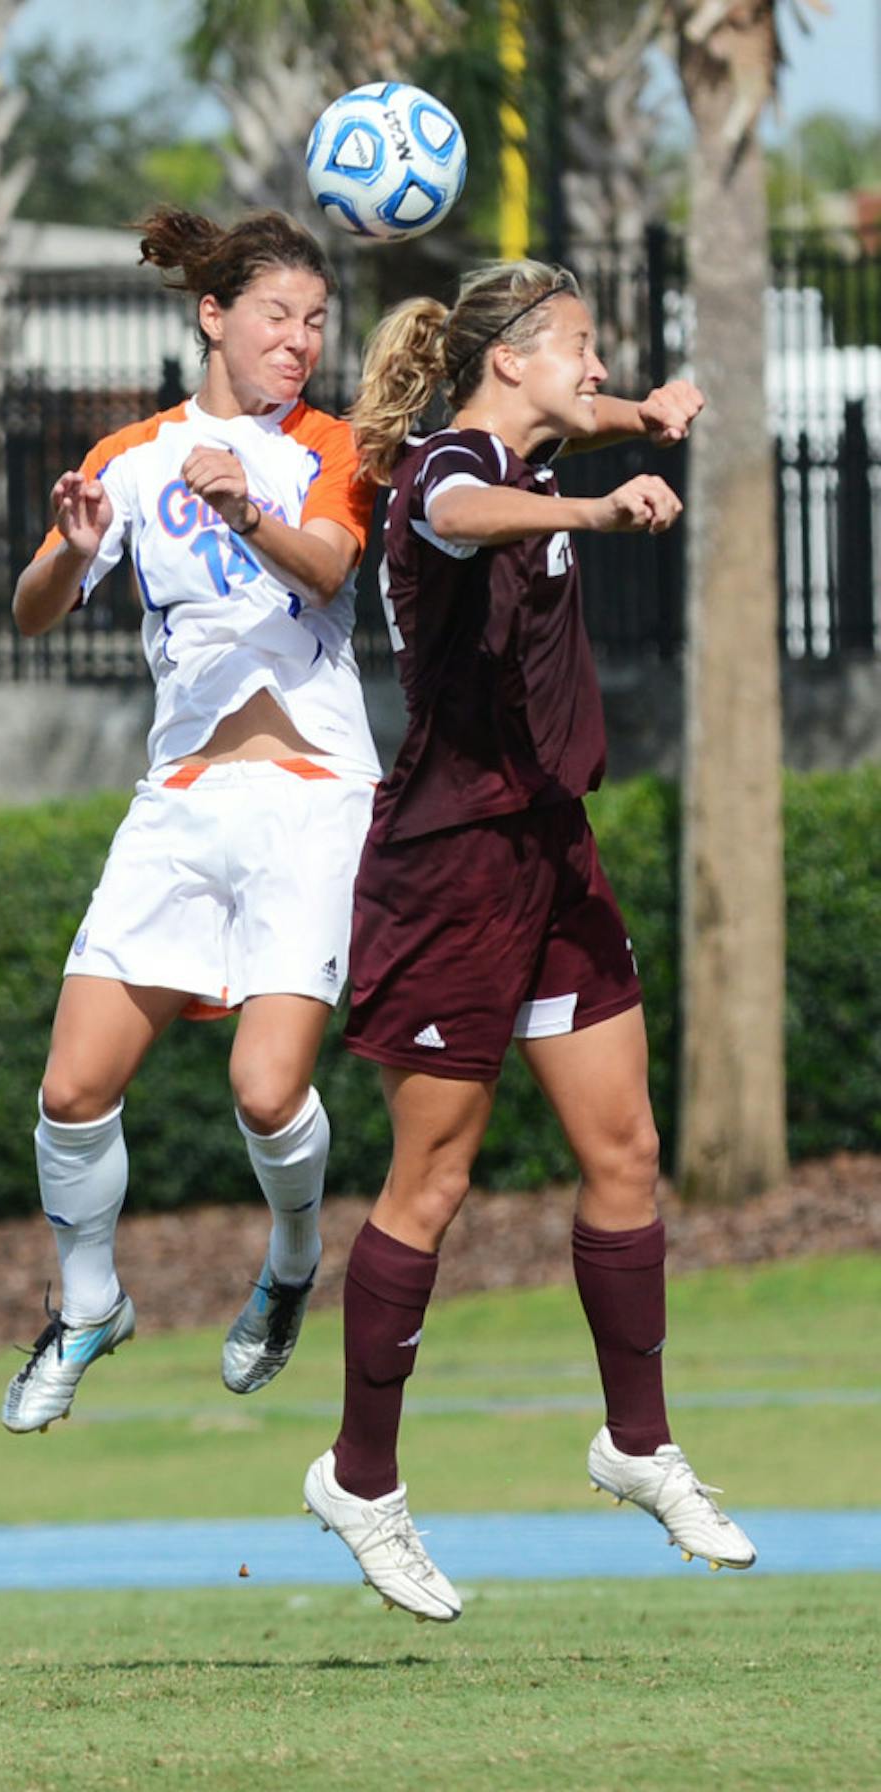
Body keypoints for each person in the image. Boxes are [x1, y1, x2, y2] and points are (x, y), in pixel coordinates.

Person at [302, 261, 757, 1621]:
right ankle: (362, 1479)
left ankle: (636, 1442)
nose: (598, 364)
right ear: (511, 361)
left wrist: (652, 416)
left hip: (555, 855)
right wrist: (594, 505)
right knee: (431, 1182)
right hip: (450, 869)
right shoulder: (455, 467)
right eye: (580, 348)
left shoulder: (553, 435)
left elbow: (593, 426)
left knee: (625, 1152)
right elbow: (456, 506)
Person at [1, 206, 381, 1434]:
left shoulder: (335, 442)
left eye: (317, 320)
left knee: (267, 1092)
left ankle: (287, 1262)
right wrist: (69, 549)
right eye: (278, 315)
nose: (301, 340)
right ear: (212, 315)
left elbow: (324, 570)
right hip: (179, 800)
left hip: (312, 794)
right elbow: (32, 613)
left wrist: (243, 512)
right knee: (71, 1088)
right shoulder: (133, 452)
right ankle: (90, 1303)